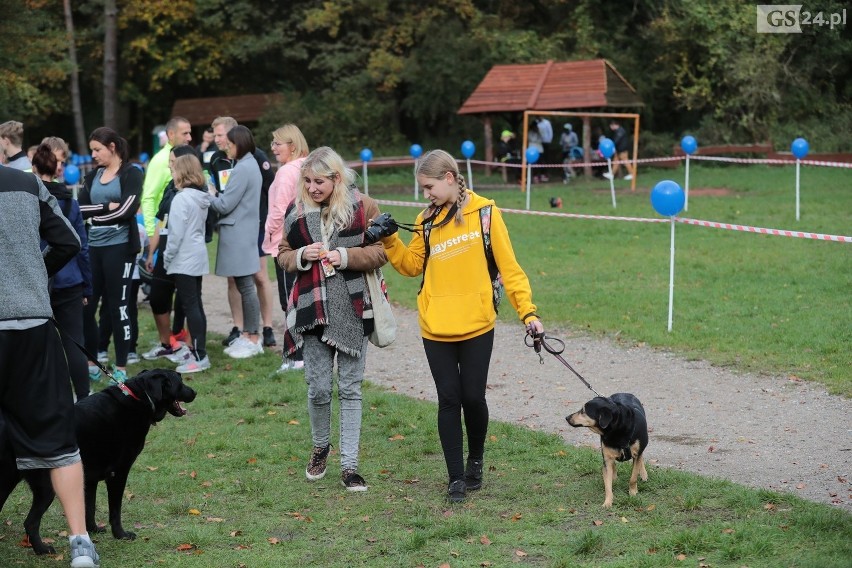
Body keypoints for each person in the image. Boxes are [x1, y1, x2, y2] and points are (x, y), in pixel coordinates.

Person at [376, 149, 544, 503]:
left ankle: (476, 462)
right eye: (423, 189)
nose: (427, 195)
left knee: (473, 397)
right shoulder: (425, 219)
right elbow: (410, 266)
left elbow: (509, 268)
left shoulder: (485, 212)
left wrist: (528, 313)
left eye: (430, 186)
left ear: (449, 178)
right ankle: (455, 478)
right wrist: (391, 239)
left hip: (477, 323)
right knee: (448, 399)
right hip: (435, 325)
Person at [0, 165, 101, 567]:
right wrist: (30, 275)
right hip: (33, 328)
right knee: (58, 440)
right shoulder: (26, 182)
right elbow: (68, 241)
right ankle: (81, 543)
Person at [277, 146, 387, 492]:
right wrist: (299, 255)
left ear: (337, 179)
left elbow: (382, 251)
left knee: (351, 390)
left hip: (354, 309)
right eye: (307, 181)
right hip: (311, 310)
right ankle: (321, 445)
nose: (312, 188)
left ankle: (350, 467)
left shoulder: (363, 206)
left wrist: (344, 256)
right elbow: (281, 255)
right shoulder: (295, 213)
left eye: (319, 182)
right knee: (319, 387)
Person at [78, 127, 144, 383]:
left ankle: (121, 367)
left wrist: (96, 214)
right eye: (92, 150)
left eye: (97, 149)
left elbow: (127, 210)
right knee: (88, 306)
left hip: (121, 248)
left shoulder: (131, 173)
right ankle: (91, 362)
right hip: (93, 248)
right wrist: (105, 207)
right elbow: (80, 208)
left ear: (112, 147)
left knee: (120, 308)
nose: (93, 155)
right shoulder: (92, 176)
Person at [207, 116, 277, 349]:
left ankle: (258, 331)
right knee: (238, 281)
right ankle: (243, 330)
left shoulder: (251, 162)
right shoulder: (221, 160)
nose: (220, 142)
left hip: (250, 227)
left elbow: (228, 203)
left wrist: (209, 195)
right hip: (239, 228)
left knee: (254, 280)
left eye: (223, 138)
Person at [31, 143, 93, 401]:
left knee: (42, 345)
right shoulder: (70, 201)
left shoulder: (30, 199)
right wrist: (87, 285)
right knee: (74, 342)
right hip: (70, 280)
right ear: (57, 170)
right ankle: (84, 396)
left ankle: (49, 398)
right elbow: (82, 246)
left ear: (34, 168)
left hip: (39, 279)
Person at [141, 145, 201, 364]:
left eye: (172, 161)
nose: (169, 164)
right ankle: (166, 344)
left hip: (185, 255)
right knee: (158, 297)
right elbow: (160, 221)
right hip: (165, 252)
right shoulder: (170, 186)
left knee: (190, 302)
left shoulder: (196, 191)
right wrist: (151, 253)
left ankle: (193, 349)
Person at [262, 124, 310, 372]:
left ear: (292, 145)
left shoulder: (286, 172)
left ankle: (295, 355)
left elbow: (279, 211)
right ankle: (303, 353)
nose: (273, 148)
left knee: (289, 299)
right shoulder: (307, 166)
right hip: (305, 240)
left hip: (285, 244)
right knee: (303, 297)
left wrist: (270, 236)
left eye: (277, 143)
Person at [164, 153, 211, 373]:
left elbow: (175, 233)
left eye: (174, 169)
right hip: (197, 254)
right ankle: (199, 351)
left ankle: (200, 356)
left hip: (184, 257)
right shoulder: (200, 197)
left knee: (190, 304)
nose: (172, 173)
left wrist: (167, 256)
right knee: (196, 304)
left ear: (182, 172)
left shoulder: (182, 199)